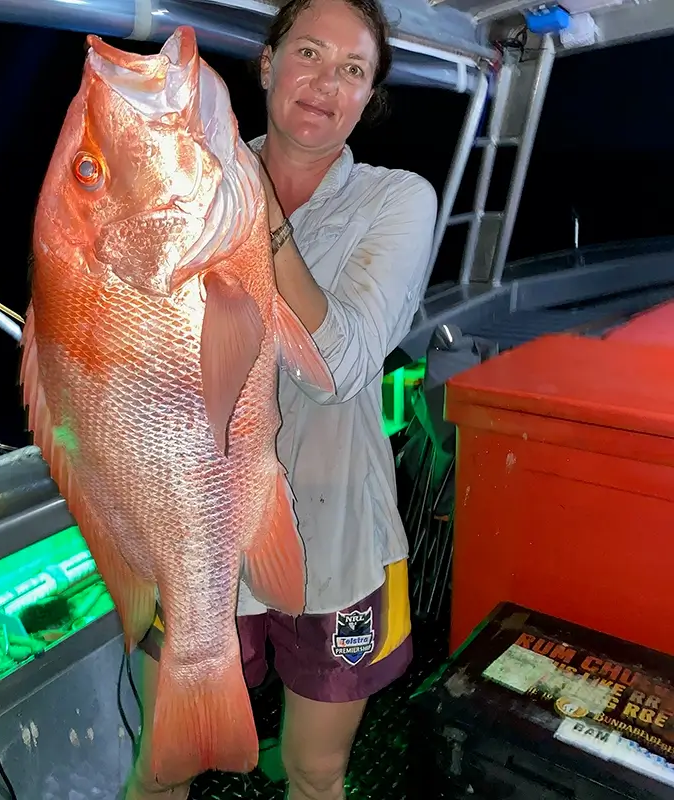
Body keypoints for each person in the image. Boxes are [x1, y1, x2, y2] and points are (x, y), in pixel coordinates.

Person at [130, 0, 437, 797]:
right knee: (163, 768)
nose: (327, 82)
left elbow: (337, 369)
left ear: (369, 98)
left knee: (314, 769)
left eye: (354, 70)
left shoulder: (397, 200)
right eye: (309, 52)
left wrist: (257, 218)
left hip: (337, 541)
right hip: (199, 532)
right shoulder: (187, 183)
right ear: (267, 64)